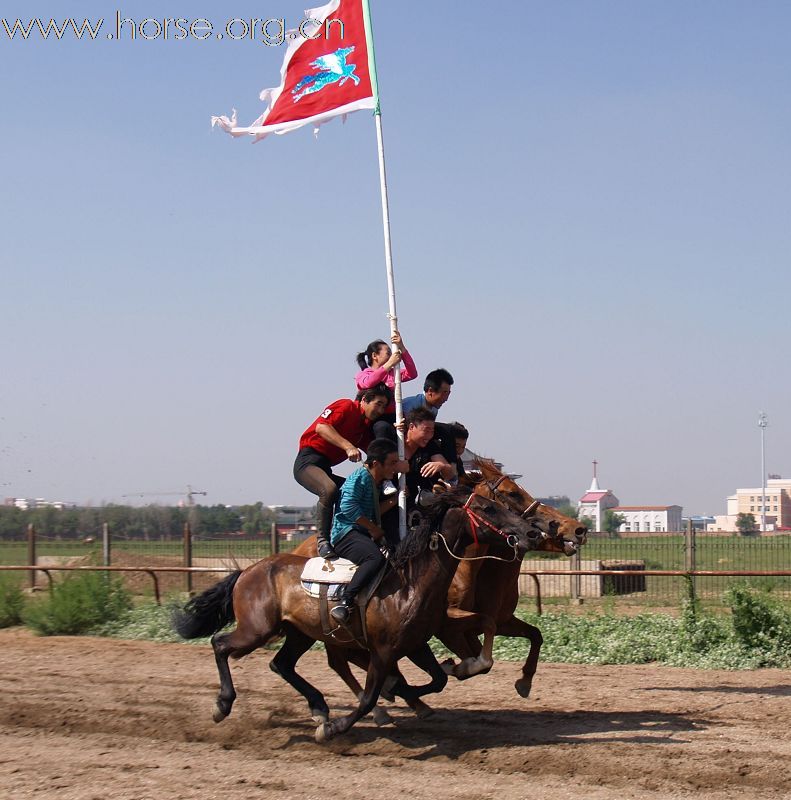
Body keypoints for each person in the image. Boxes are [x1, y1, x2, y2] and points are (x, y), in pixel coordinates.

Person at [293, 384, 391, 559]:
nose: (380, 410)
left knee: (357, 492)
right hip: (308, 463)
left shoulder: (365, 426)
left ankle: (358, 535)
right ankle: (323, 540)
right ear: (364, 400)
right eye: (378, 403)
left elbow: (374, 451)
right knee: (329, 489)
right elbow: (321, 427)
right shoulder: (346, 406)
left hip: (325, 468)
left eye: (384, 406)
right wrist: (348, 446)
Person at [329, 438, 402, 624]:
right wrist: (374, 529)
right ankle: (345, 601)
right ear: (376, 463)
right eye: (392, 463)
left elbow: (374, 510)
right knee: (374, 558)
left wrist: (396, 500)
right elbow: (348, 507)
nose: (396, 468)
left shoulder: (375, 481)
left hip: (361, 532)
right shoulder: (359, 478)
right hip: (345, 534)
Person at [355, 330, 418, 441]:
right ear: (375, 355)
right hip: (375, 418)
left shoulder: (394, 374)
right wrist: (389, 364)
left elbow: (412, 373)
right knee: (383, 429)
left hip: (394, 416)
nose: (391, 356)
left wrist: (402, 348)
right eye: (388, 353)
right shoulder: (364, 374)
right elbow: (368, 383)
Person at [402, 368, 456, 465]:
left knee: (451, 432)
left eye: (448, 394)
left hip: (421, 440)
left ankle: (451, 467)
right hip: (405, 443)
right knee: (446, 430)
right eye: (444, 393)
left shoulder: (434, 408)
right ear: (430, 391)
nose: (446, 399)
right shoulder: (409, 405)